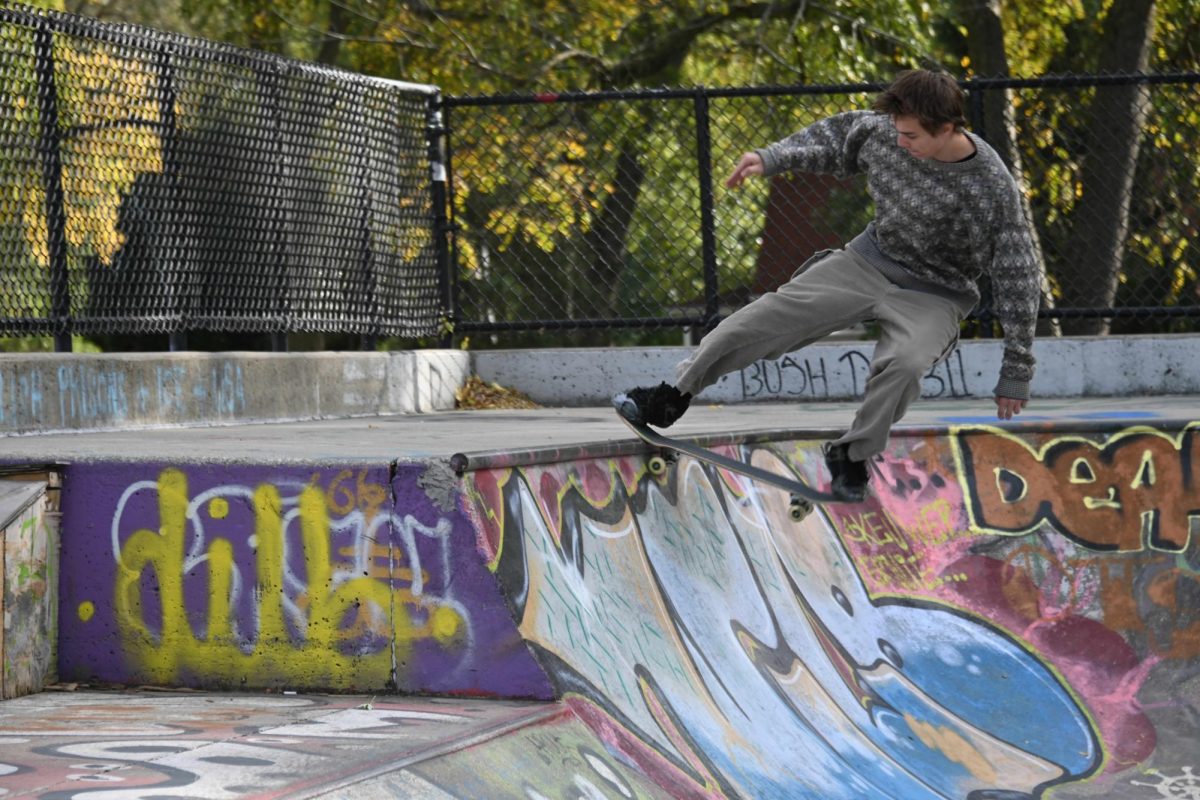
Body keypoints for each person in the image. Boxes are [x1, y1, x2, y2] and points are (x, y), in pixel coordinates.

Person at [616, 69, 1039, 501]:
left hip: (935, 295)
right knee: (754, 321)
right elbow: (833, 139)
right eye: (897, 131)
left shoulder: (991, 187)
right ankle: (671, 397)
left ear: (947, 128)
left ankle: (851, 455)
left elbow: (1017, 274)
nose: (900, 142)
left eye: (911, 135)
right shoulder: (881, 132)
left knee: (906, 364)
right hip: (866, 264)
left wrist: (1016, 369)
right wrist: (772, 157)